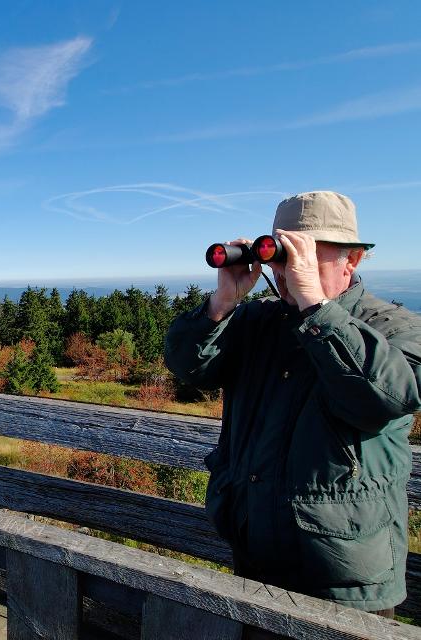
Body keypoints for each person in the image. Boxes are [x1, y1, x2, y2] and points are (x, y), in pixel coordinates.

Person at [165, 191, 421, 617]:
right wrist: (222, 303)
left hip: (344, 580)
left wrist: (315, 308)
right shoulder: (260, 322)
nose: (287, 272)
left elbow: (382, 397)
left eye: (305, 257)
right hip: (254, 559)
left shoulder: (397, 328)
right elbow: (189, 368)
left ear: (352, 259)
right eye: (281, 257)